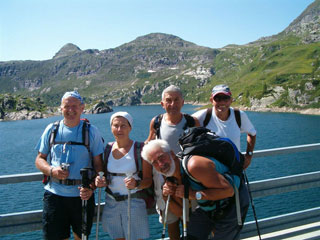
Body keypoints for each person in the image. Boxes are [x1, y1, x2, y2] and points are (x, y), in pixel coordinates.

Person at [141, 139, 249, 240]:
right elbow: (181, 213)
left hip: (233, 203)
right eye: (154, 162)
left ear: (172, 154)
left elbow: (229, 191)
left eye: (161, 157)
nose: (160, 164)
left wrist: (193, 194)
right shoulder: (171, 176)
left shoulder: (194, 165)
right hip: (209, 206)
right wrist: (165, 196)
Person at [35, 91, 104, 240]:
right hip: (54, 196)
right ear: (61, 108)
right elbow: (40, 159)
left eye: (74, 106)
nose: (71, 110)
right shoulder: (51, 130)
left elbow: (99, 164)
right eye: (67, 106)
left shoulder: (91, 132)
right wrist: (51, 170)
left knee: (81, 237)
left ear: (82, 108)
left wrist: (92, 187)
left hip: (82, 196)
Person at [145, 85, 199, 240]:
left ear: (183, 102)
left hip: (188, 181)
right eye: (168, 101)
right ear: (162, 104)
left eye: (176, 100)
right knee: (171, 221)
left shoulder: (192, 122)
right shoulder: (156, 122)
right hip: (164, 183)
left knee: (190, 221)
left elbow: (201, 149)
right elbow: (149, 146)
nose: (173, 104)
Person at [95, 111, 152, 240]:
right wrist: (101, 181)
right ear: (111, 127)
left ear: (130, 127)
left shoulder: (141, 149)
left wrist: (136, 184)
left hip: (134, 202)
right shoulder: (108, 149)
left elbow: (148, 181)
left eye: (123, 126)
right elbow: (105, 176)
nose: (119, 129)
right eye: (115, 125)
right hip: (112, 202)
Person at [192, 84, 256, 169]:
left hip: (234, 169)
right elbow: (181, 124)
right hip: (211, 172)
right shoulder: (202, 116)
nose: (222, 102)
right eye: (218, 99)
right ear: (211, 100)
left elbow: (252, 133)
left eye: (225, 98)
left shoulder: (239, 115)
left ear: (231, 100)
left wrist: (249, 155)